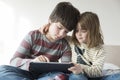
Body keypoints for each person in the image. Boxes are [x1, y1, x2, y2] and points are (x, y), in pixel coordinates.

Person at [0, 2, 80, 80]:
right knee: (2, 69)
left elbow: (65, 69)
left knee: (60, 75)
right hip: (25, 72)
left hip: (47, 75)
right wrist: (32, 62)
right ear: (50, 21)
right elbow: (13, 61)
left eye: (66, 31)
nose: (61, 34)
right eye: (59, 27)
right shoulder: (33, 36)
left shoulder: (65, 45)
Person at [67, 12, 120, 80]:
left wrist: (81, 68)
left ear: (93, 31)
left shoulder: (99, 49)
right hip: (78, 75)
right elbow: (57, 36)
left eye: (83, 31)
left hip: (94, 77)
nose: (79, 34)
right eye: (76, 31)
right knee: (75, 77)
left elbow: (97, 72)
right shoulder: (72, 41)